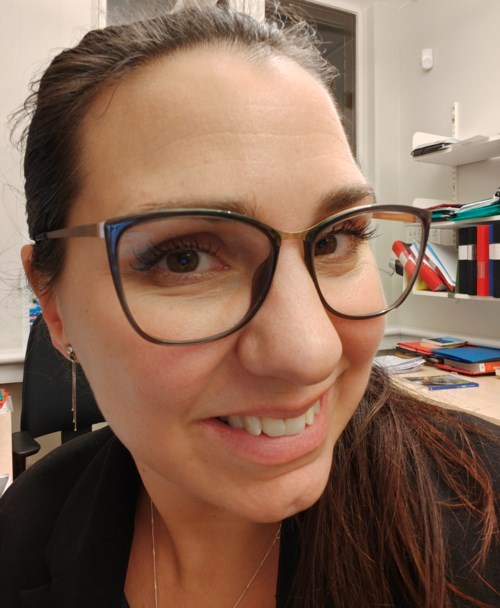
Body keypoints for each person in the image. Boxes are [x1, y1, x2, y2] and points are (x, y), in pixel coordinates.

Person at [0, 2, 498, 607]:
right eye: (184, 258)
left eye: (335, 239)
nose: (310, 352)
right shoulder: (21, 536)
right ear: (53, 303)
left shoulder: (484, 525)